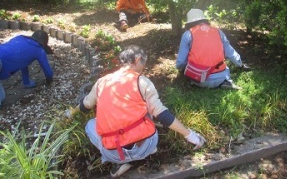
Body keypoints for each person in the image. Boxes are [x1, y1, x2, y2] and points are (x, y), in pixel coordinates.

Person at [65, 45, 206, 178]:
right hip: (145, 146)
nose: (143, 69)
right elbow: (161, 113)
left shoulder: (102, 82)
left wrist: (71, 113)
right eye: (143, 64)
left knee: (90, 125)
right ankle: (147, 151)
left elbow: (86, 104)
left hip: (114, 152)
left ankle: (119, 162)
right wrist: (190, 135)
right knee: (147, 109)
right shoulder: (142, 81)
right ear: (138, 60)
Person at [176, 8, 245, 90]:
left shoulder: (188, 34)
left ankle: (195, 83)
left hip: (198, 78)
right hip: (221, 76)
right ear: (204, 20)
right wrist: (240, 64)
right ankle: (226, 81)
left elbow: (180, 62)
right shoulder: (218, 31)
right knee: (223, 67)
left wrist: (181, 69)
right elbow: (230, 52)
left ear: (189, 23)